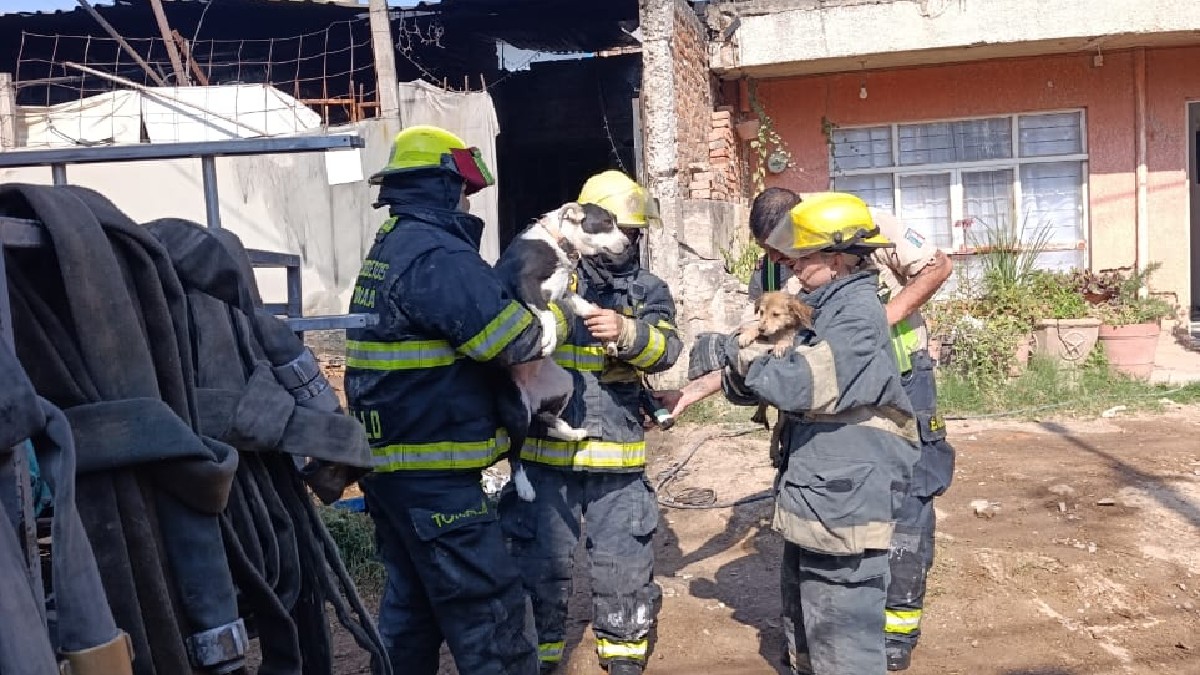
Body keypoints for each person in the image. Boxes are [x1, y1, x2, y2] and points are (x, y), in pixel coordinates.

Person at [672, 187, 957, 671]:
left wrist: (878, 323)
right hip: (824, 429)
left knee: (900, 516)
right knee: (818, 568)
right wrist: (692, 392)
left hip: (888, 390)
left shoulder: (863, 238)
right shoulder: (780, 273)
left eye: (796, 253)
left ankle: (895, 631)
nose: (787, 263)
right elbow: (760, 349)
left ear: (834, 251)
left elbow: (804, 375)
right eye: (777, 252)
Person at [346, 125, 558, 675]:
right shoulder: (435, 253)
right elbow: (510, 340)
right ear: (444, 188)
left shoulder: (393, 247)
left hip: (396, 473)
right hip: (436, 477)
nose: (468, 201)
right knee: (489, 613)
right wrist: (552, 315)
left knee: (413, 608)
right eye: (463, 190)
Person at [499, 170, 682, 675]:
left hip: (617, 456)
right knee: (538, 564)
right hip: (544, 455)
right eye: (623, 229)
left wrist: (629, 332)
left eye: (636, 234)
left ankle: (623, 652)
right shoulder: (552, 271)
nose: (627, 242)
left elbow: (668, 349)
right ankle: (542, 654)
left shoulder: (647, 288)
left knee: (624, 563)